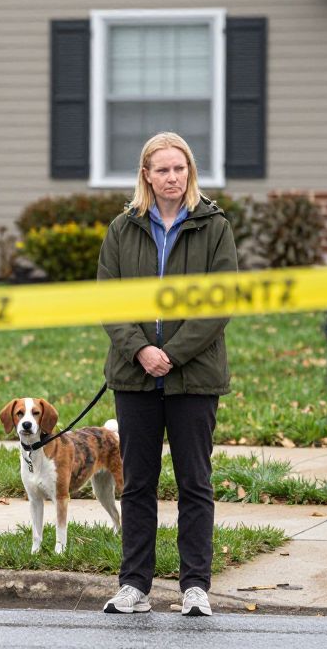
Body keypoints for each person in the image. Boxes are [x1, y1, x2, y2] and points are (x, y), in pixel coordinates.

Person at [97, 131, 237, 616]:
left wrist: (170, 353)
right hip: (135, 378)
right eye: (163, 169)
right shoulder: (122, 228)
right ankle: (134, 585)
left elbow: (220, 302)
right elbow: (109, 300)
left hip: (193, 377)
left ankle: (195, 587)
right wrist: (140, 351)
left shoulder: (214, 226)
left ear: (189, 172)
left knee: (194, 482)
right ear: (147, 175)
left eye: (180, 168)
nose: (172, 177)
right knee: (137, 483)